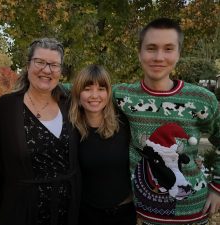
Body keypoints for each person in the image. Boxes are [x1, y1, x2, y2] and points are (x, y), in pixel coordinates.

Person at [113, 18, 220, 225]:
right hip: (145, 214)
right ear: (139, 53)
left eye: (168, 49)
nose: (159, 57)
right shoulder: (122, 96)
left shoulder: (201, 99)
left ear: (179, 54)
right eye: (151, 48)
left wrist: (218, 187)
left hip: (194, 214)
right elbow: (81, 90)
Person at [0, 38, 80, 225]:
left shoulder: (71, 105)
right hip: (22, 212)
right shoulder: (5, 108)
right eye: (40, 62)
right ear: (28, 65)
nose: (47, 70)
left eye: (54, 65)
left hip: (68, 212)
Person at [69, 64, 136, 225]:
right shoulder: (70, 129)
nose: (94, 95)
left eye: (101, 89)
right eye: (87, 89)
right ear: (78, 93)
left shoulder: (125, 123)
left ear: (108, 92)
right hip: (86, 214)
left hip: (123, 214)